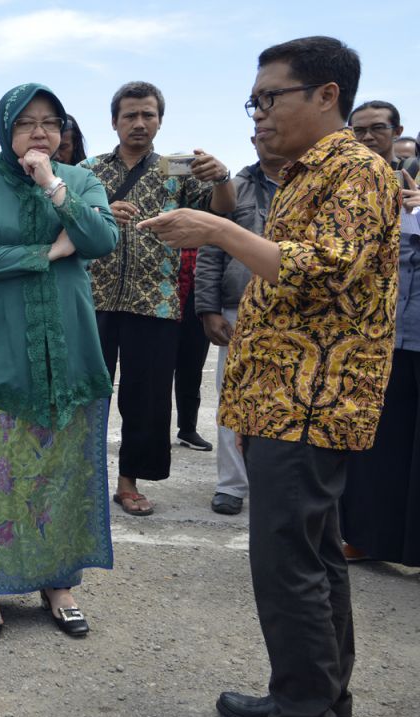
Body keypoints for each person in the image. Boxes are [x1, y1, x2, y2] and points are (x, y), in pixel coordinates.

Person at [139, 36, 399, 717]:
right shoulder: (310, 173)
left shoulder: (357, 170)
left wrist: (216, 230)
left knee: (289, 569)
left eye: (269, 98)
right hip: (287, 400)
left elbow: (321, 269)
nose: (260, 113)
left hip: (312, 404)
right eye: (254, 101)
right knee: (314, 562)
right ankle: (316, 705)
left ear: (325, 95)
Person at [0, 83, 119, 642]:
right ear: (6, 130)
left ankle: (59, 583)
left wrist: (53, 187)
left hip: (68, 348)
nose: (40, 132)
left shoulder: (79, 180)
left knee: (60, 468)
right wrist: (47, 251)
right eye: (26, 123)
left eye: (51, 122)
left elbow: (100, 238)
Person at [82, 81, 235, 516]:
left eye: (148, 114)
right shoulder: (89, 169)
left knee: (145, 396)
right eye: (130, 115)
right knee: (86, 392)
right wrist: (99, 212)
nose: (139, 122)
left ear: (160, 121)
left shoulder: (176, 169)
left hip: (157, 300)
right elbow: (67, 217)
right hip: (93, 297)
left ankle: (128, 482)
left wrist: (221, 176)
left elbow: (221, 211)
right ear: (114, 121)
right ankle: (80, 478)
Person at [339, 100, 420, 566]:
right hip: (379, 336)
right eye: (360, 129)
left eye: (378, 129)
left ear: (398, 131)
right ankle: (367, 538)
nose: (369, 137)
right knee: (375, 444)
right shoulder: (352, 184)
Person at [194, 137, 289, 515]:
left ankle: (274, 484)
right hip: (237, 309)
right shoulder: (232, 190)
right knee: (232, 398)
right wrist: (208, 309)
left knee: (286, 401)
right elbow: (210, 249)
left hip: (293, 311)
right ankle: (232, 485)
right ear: (252, 140)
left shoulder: (311, 187)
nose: (270, 137)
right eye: (261, 132)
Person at [172, 247, 212, 451]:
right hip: (164, 295)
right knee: (155, 370)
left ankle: (187, 428)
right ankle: (152, 429)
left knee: (192, 367)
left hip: (198, 296)